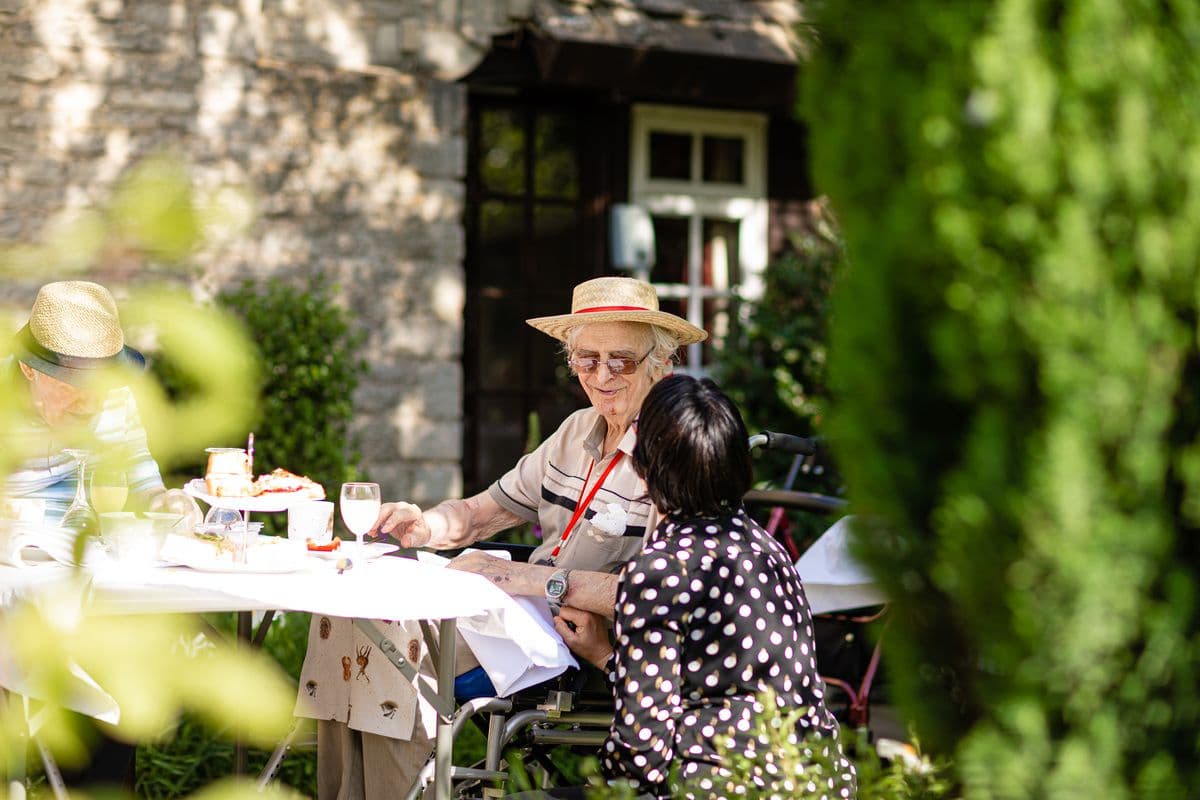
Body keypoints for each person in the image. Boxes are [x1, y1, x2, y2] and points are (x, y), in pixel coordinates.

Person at [296, 276, 707, 799]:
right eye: (586, 360)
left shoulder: (674, 452)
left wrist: (526, 577)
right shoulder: (574, 432)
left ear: (660, 365)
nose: (602, 376)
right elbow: (481, 514)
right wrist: (425, 525)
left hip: (578, 641)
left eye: (621, 362)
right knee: (348, 619)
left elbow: (657, 592)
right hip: (517, 612)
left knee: (398, 649)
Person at [554, 375, 857, 799]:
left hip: (716, 782)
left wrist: (601, 781)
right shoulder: (768, 551)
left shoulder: (660, 570)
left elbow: (641, 746)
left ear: (644, 467)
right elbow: (722, 683)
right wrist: (605, 655)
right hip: (809, 781)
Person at [2, 280, 202, 788]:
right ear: (30, 368)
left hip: (94, 585)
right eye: (72, 388)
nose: (92, 404)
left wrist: (170, 503)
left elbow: (144, 487)